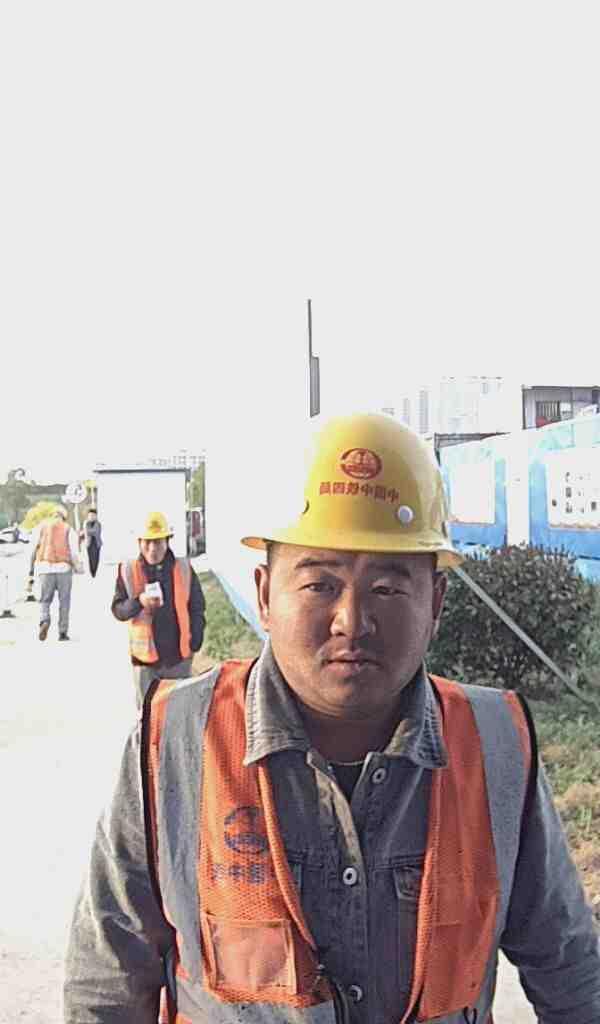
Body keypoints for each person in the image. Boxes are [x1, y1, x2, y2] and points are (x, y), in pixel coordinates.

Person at [64, 414, 600, 1024]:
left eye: (388, 589)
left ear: (436, 603)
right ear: (265, 594)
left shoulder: (495, 748)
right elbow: (108, 983)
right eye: (320, 584)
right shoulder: (176, 742)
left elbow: (571, 974)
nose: (352, 621)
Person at [111, 510, 206, 707]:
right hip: (145, 663)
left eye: (158, 542)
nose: (152, 548)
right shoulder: (128, 570)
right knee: (147, 715)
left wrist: (195, 642)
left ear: (167, 541)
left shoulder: (183, 568)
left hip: (178, 660)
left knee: (179, 714)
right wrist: (139, 602)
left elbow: (197, 607)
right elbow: (118, 610)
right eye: (147, 542)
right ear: (139, 543)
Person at [30, 505, 80, 641]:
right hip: (64, 568)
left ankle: (44, 620)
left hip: (45, 568)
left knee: (45, 600)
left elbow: (33, 548)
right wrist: (78, 567)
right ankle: (62, 632)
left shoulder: (41, 528)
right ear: (64, 517)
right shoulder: (68, 529)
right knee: (64, 601)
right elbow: (74, 552)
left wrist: (31, 571)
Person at [80, 507, 102, 578]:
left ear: (96, 516)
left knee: (96, 558)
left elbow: (95, 531)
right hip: (89, 543)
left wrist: (88, 531)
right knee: (90, 558)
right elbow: (87, 532)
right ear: (88, 516)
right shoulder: (86, 523)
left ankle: (94, 571)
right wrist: (89, 531)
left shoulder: (98, 523)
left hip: (96, 543)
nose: (92, 517)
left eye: (93, 515)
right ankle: (92, 572)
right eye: (90, 515)